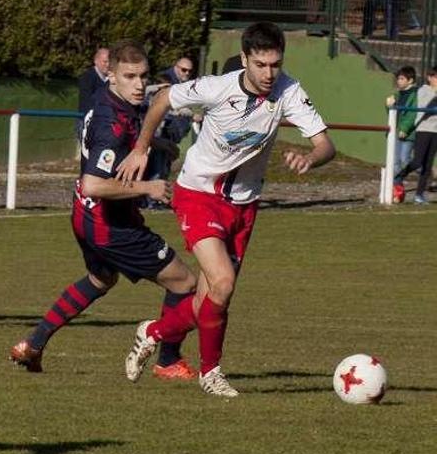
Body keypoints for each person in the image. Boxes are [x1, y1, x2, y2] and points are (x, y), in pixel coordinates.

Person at [117, 22, 336, 397]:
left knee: (211, 299)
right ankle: (211, 373)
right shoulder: (216, 88)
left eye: (275, 65)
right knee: (223, 282)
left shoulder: (290, 91)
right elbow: (164, 99)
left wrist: (310, 157)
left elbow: (325, 144)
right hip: (198, 194)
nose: (269, 74)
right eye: (261, 65)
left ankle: (152, 332)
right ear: (246, 59)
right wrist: (141, 148)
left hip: (244, 206)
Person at [10, 40, 199, 377]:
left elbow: (127, 132)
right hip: (110, 223)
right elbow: (94, 183)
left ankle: (34, 343)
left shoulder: (107, 101)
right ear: (111, 75)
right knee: (185, 284)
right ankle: (168, 360)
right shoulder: (110, 124)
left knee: (100, 279)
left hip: (84, 216)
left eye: (143, 75)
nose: (139, 84)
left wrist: (155, 143)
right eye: (129, 76)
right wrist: (149, 187)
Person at [395, 66, 437, 204]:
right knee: (417, 161)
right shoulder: (423, 90)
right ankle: (400, 175)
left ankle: (419, 195)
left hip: (435, 131)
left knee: (427, 165)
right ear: (429, 78)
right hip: (423, 129)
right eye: (435, 77)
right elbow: (425, 106)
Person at [386, 65, 418, 202]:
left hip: (407, 134)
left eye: (401, 78)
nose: (398, 81)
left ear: (410, 80)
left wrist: (405, 128)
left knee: (405, 161)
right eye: (398, 78)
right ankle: (398, 192)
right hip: (394, 133)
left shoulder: (415, 94)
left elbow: (413, 113)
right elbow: (392, 115)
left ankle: (421, 165)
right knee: (395, 163)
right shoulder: (397, 94)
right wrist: (388, 106)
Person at [78, 47, 110, 116]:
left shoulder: (111, 78)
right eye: (105, 61)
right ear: (96, 61)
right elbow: (86, 102)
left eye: (109, 62)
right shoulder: (87, 77)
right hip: (88, 119)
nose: (108, 65)